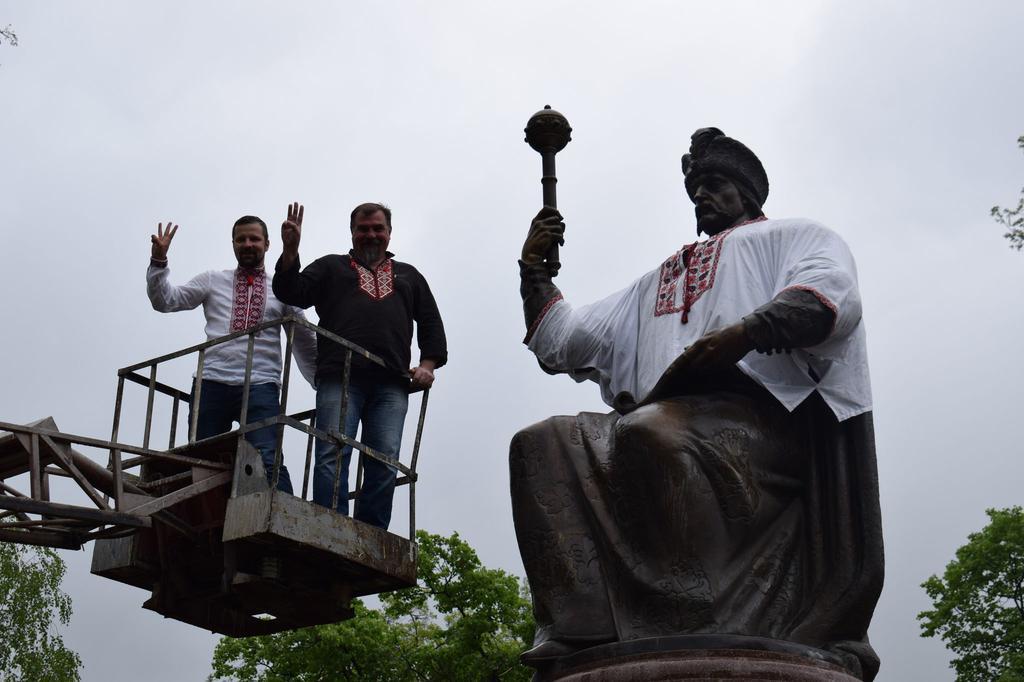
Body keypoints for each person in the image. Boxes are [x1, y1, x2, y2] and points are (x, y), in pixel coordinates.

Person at [511, 128, 883, 679]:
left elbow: (831, 295)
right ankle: (580, 624)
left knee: (650, 433)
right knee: (539, 443)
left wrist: (745, 333)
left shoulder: (793, 235)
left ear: (747, 193)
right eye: (695, 189)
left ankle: (692, 617)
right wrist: (534, 271)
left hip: (764, 425)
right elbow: (564, 339)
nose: (701, 196)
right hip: (666, 417)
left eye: (714, 185)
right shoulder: (659, 279)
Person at [272, 202, 447, 530]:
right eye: (363, 229)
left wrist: (427, 365)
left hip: (393, 381)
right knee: (331, 453)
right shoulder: (330, 267)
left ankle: (370, 534)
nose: (371, 235)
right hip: (340, 375)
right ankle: (330, 526)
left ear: (389, 233)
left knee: (384, 459)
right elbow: (291, 291)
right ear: (352, 233)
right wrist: (290, 251)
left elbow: (430, 323)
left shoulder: (409, 276)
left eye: (378, 229)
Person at [147, 215, 317, 493]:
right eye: (241, 239)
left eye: (254, 239)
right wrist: (159, 262)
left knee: (268, 459)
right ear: (233, 244)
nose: (248, 244)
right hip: (211, 383)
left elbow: (305, 339)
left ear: (267, 244)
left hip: (261, 384)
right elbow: (166, 301)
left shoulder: (281, 289)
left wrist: (323, 380)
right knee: (202, 463)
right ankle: (206, 524)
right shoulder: (213, 280)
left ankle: (282, 522)